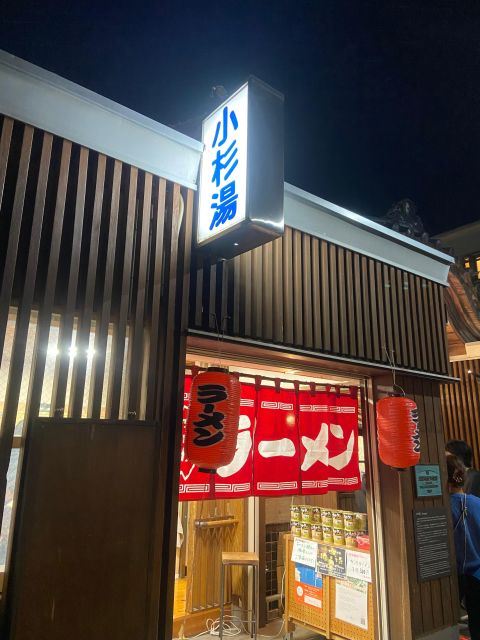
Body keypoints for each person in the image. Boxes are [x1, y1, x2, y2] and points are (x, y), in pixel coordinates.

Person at [447, 453, 480, 640]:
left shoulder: (441, 508)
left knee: (448, 624)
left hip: (454, 577)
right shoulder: (477, 503)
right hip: (478, 574)